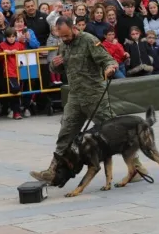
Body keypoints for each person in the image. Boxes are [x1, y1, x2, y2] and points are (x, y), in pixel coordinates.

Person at [30, 17, 148, 183]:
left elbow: (107, 59)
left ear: (73, 28)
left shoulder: (89, 40)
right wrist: (55, 65)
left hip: (95, 97)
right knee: (66, 133)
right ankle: (53, 170)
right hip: (75, 97)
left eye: (66, 35)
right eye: (61, 37)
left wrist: (110, 67)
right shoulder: (63, 45)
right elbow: (57, 67)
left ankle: (136, 167)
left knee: (116, 132)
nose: (64, 39)